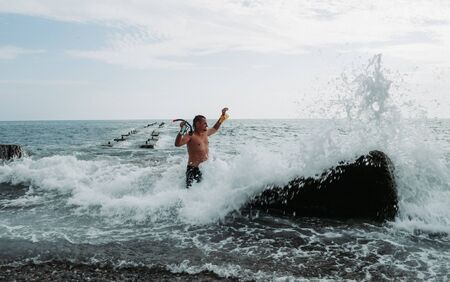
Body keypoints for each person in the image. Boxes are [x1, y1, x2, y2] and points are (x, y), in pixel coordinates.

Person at [175, 107, 229, 188]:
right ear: (197, 124)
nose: (207, 125)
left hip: (206, 169)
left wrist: (222, 116)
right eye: (204, 123)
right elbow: (177, 144)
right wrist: (182, 130)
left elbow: (215, 128)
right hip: (193, 170)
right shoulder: (190, 135)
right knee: (191, 194)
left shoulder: (206, 133)